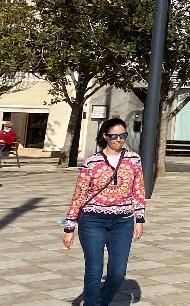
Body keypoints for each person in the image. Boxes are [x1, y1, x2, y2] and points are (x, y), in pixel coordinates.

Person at [63, 117, 146, 306]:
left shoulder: (134, 159)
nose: (119, 139)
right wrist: (70, 227)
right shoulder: (92, 162)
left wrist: (139, 219)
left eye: (123, 135)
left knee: (118, 272)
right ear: (105, 137)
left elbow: (138, 189)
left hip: (123, 222)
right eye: (114, 136)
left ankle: (100, 302)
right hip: (93, 221)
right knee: (94, 270)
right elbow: (79, 194)